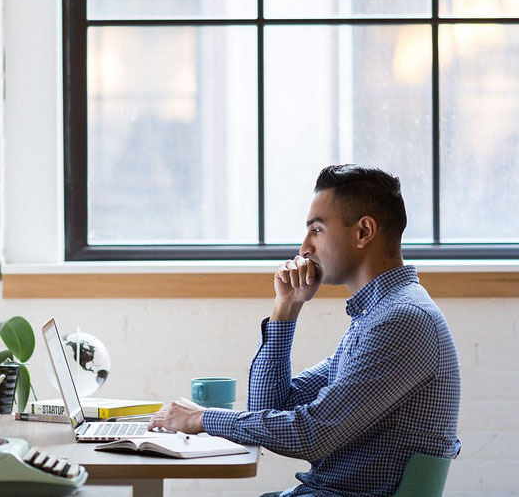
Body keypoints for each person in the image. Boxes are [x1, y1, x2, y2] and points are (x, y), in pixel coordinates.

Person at [147, 164, 460, 496]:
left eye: (317, 230)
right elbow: (268, 408)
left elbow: (313, 435)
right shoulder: (375, 317)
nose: (304, 248)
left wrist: (202, 419)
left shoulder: (401, 320)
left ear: (363, 232)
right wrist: (286, 308)